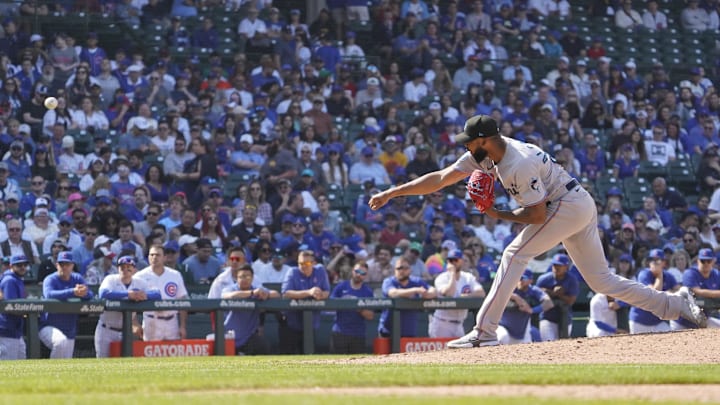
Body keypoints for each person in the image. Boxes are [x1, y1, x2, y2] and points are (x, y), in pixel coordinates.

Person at [368, 114, 706, 349]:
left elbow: (537, 214)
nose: (465, 147)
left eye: (470, 142)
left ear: (484, 140)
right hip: (576, 202)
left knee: (515, 253)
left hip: (566, 205)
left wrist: (494, 212)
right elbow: (441, 178)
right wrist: (393, 192)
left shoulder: (517, 162)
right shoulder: (488, 154)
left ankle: (484, 331)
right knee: (601, 281)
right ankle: (675, 306)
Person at [94, 256, 160, 358]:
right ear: (118, 268)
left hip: (126, 331)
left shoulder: (139, 282)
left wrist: (144, 295)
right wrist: (128, 294)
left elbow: (157, 294)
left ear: (134, 269)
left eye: (129, 267)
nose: (125, 269)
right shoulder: (111, 279)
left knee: (125, 363)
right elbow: (103, 293)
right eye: (122, 267)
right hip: (106, 329)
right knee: (103, 363)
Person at [39, 251, 95, 358]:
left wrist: (84, 293)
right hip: (48, 326)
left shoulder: (77, 278)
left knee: (66, 362)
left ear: (72, 266)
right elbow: (49, 294)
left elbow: (90, 294)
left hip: (69, 328)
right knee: (60, 342)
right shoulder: (50, 279)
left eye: (67, 264)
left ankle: (56, 374)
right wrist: (73, 292)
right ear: (56, 265)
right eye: (61, 264)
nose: (64, 267)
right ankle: (51, 373)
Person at [222, 263, 279, 355]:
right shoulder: (231, 289)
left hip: (248, 336)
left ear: (252, 278)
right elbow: (228, 296)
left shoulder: (257, 289)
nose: (244, 279)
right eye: (242, 277)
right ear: (237, 278)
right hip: (229, 335)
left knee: (264, 346)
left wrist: (266, 294)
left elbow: (276, 294)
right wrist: (251, 293)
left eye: (248, 277)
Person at [280, 250, 330, 354]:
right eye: (301, 263)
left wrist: (320, 294)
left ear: (313, 263)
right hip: (292, 322)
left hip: (312, 322)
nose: (303, 266)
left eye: (307, 263)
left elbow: (327, 291)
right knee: (289, 357)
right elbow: (286, 293)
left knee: (309, 355)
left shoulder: (320, 270)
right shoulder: (293, 272)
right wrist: (309, 292)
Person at [134, 245, 189, 341]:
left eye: (158, 255)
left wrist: (183, 326)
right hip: (151, 320)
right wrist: (134, 324)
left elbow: (182, 300)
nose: (154, 257)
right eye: (151, 255)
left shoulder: (175, 275)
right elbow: (130, 301)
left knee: (174, 354)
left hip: (171, 321)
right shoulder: (139, 276)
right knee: (150, 354)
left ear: (164, 257)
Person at [428, 250, 485, 338]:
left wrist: (466, 296)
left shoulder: (467, 277)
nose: (453, 263)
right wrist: (452, 274)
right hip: (442, 323)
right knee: (442, 352)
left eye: (456, 260)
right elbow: (449, 294)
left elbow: (481, 292)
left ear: (461, 261)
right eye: (450, 260)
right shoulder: (441, 278)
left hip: (459, 324)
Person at [377, 257, 437, 338]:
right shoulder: (388, 281)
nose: (402, 271)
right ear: (395, 270)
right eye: (399, 268)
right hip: (388, 331)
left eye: (405, 268)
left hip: (409, 330)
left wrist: (427, 294)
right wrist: (415, 290)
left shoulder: (416, 281)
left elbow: (433, 290)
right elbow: (393, 293)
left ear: (410, 270)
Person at [496, 269, 553, 345]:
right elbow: (497, 292)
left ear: (530, 281)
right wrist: (516, 297)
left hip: (521, 332)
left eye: (523, 278)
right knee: (503, 337)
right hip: (503, 327)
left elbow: (549, 303)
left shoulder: (533, 290)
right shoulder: (510, 287)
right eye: (519, 278)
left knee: (526, 348)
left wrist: (532, 310)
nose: (520, 280)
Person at [629, 249, 679, 334]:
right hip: (640, 321)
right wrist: (659, 275)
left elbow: (679, 290)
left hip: (657, 322)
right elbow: (654, 294)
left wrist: (671, 292)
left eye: (658, 260)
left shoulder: (668, 275)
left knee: (670, 340)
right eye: (652, 260)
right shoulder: (644, 274)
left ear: (664, 263)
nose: (654, 263)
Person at [329, 260, 374, 354]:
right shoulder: (341, 287)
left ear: (366, 275)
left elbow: (370, 316)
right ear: (352, 271)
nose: (359, 275)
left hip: (358, 334)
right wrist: (343, 303)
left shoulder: (367, 291)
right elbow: (330, 306)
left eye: (362, 273)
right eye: (357, 271)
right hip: (340, 332)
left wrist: (359, 308)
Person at [672, 248, 720, 330]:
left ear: (713, 261)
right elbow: (696, 291)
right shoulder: (690, 273)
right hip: (682, 321)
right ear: (698, 261)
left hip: (703, 320)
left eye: (708, 261)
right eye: (703, 261)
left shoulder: (716, 274)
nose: (706, 264)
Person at [536, 253, 579, 341]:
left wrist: (559, 295)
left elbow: (571, 301)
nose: (556, 267)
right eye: (554, 265)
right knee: (548, 344)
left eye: (560, 265)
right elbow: (536, 297)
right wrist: (550, 292)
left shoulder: (572, 279)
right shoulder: (543, 279)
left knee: (564, 345)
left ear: (566, 267)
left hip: (565, 317)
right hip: (547, 317)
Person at [0, 255, 29, 360]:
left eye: (25, 265)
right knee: (8, 365)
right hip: (7, 328)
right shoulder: (9, 280)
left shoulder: (17, 279)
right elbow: (10, 307)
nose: (23, 267)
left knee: (21, 360)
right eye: (19, 265)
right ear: (11, 266)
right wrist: (28, 312)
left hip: (14, 329)